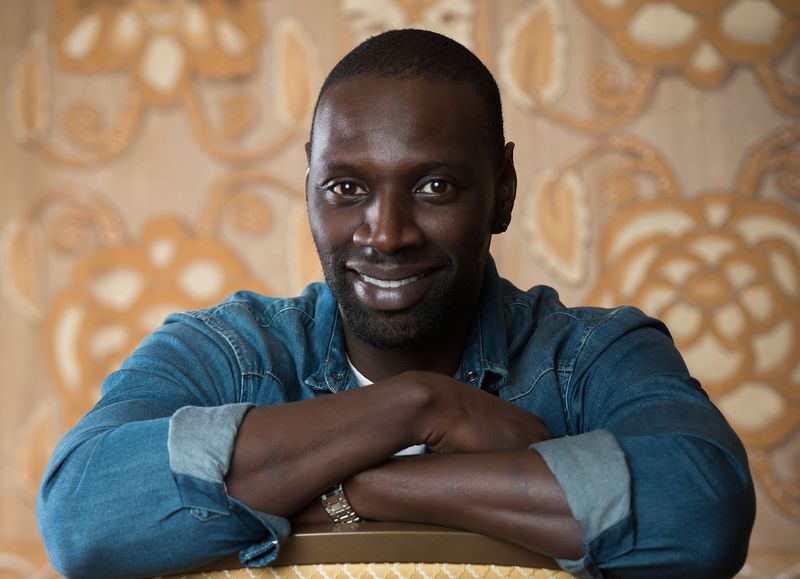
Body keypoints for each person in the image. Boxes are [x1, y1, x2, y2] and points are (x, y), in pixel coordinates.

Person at [37, 29, 754, 579]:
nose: (385, 234)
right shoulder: (230, 352)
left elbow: (701, 512)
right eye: (346, 188)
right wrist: (421, 407)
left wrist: (364, 490)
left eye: (435, 186)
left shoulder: (589, 357)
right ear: (309, 186)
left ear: (501, 192)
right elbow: (83, 514)